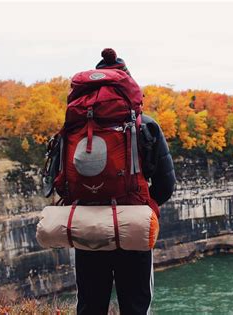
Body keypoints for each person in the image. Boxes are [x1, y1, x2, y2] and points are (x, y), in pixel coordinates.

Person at [74, 49, 176, 315]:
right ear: (129, 87)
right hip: (133, 224)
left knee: (89, 304)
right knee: (136, 304)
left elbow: (59, 180)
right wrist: (142, 203)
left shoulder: (76, 125)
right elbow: (166, 185)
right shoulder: (146, 125)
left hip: (89, 223)